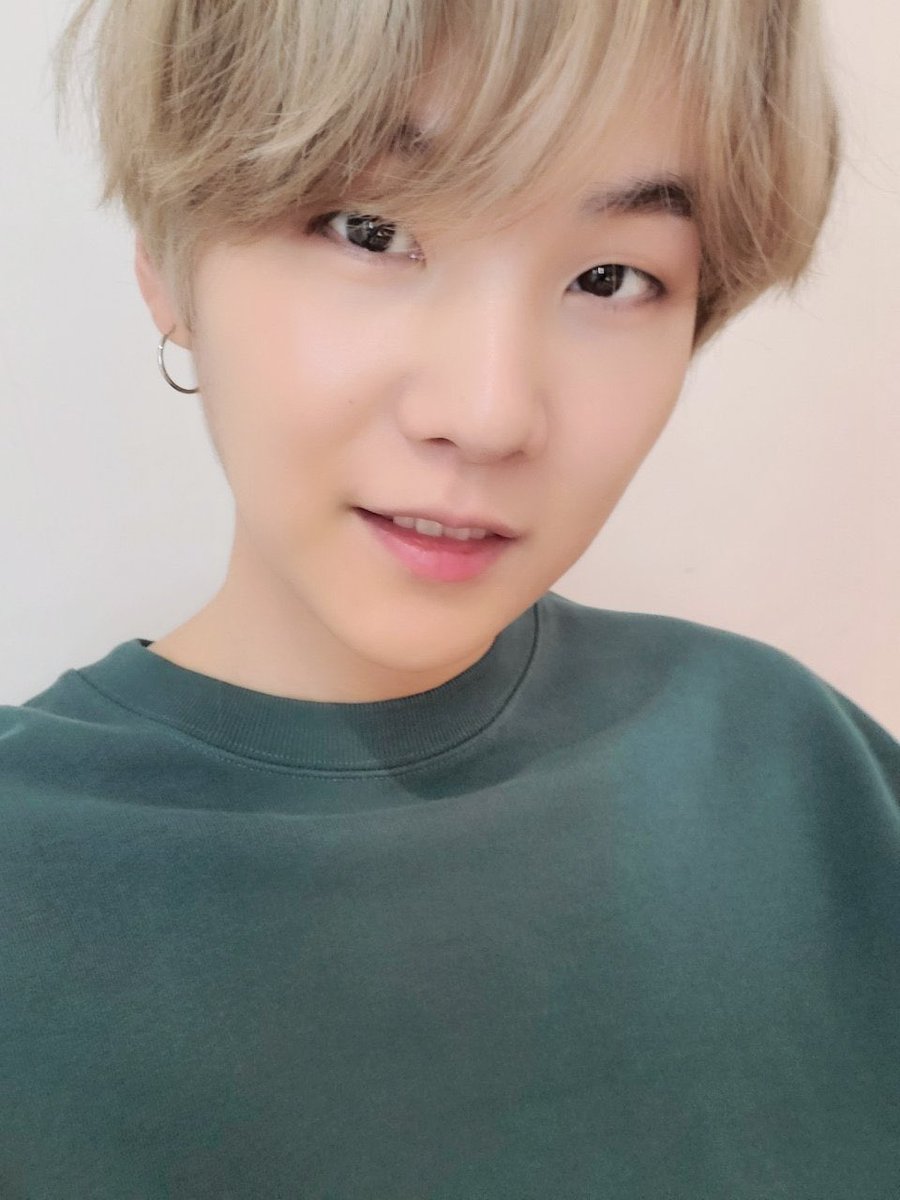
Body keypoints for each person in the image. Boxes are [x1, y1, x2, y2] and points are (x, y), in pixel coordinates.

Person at [1, 0, 897, 1195]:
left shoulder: (801, 776)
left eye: (611, 276)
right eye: (369, 230)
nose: (488, 412)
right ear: (167, 264)